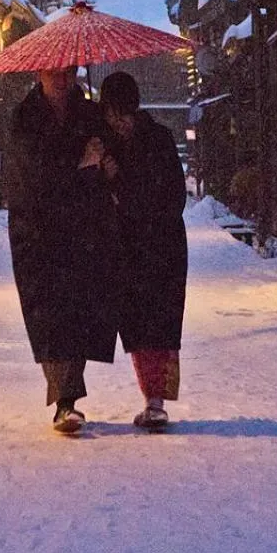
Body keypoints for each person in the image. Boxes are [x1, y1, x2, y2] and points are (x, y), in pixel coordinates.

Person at [6, 66, 119, 435]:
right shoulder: (25, 118)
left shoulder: (88, 114)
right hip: (38, 229)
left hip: (82, 229)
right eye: (53, 73)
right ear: (39, 73)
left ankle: (68, 398)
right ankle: (65, 401)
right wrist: (78, 163)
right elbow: (31, 174)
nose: (61, 80)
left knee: (76, 311)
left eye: (67, 72)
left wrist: (105, 165)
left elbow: (104, 165)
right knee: (48, 312)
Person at [97, 72, 187, 431]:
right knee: (135, 324)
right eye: (110, 114)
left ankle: (155, 401)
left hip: (161, 245)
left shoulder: (158, 140)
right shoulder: (103, 147)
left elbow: (169, 196)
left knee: (158, 323)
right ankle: (152, 398)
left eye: (122, 113)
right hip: (125, 247)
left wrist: (118, 180)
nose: (117, 121)